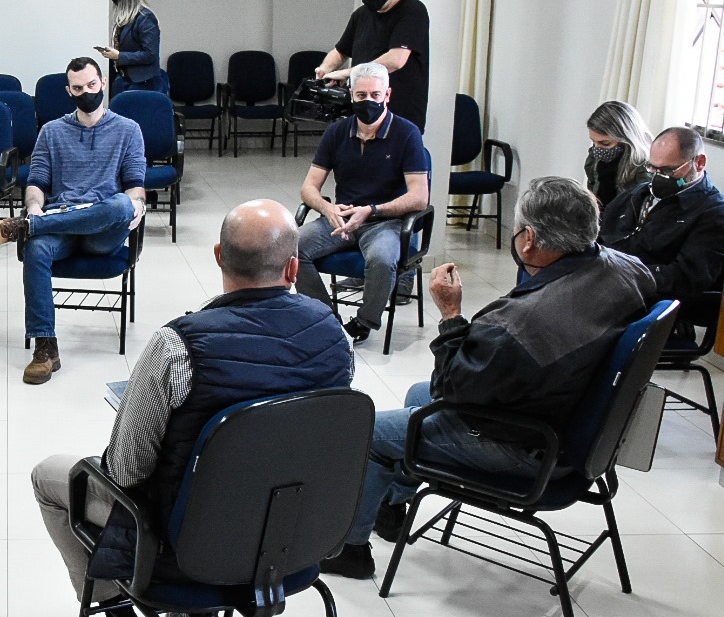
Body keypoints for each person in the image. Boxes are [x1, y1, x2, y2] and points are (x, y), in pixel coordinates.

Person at [33, 200, 353, 617]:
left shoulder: (179, 345)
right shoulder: (335, 338)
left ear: (219, 255)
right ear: (293, 267)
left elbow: (125, 471)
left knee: (51, 476)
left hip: (184, 550)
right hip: (296, 540)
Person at [325, 177, 657, 579]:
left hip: (533, 449)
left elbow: (451, 387)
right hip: (578, 426)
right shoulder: (631, 270)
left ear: (528, 239)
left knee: (373, 430)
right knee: (415, 397)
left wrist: (450, 315)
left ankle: (351, 550)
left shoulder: (521, 327)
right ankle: (391, 507)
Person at [0, 57, 147, 384]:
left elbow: (135, 186)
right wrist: (33, 207)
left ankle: (24, 228)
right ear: (68, 91)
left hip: (103, 231)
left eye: (92, 86)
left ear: (103, 84)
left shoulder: (128, 130)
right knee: (37, 250)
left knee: (120, 205)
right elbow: (37, 184)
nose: (86, 92)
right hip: (61, 225)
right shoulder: (52, 131)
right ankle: (46, 347)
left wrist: (137, 204)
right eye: (78, 88)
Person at [295, 62, 430, 345]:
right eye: (361, 96)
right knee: (291, 247)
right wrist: (327, 208)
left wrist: (373, 210)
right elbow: (309, 187)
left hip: (385, 221)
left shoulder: (407, 134)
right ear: (351, 95)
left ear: (387, 95)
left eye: (375, 95)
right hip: (341, 218)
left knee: (381, 259)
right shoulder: (337, 132)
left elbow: (419, 197)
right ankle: (325, 317)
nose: (368, 102)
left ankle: (364, 322)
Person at [600, 126, 724, 343]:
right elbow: (601, 233)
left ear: (699, 162)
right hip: (610, 284)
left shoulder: (713, 213)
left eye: (667, 171)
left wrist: (624, 275)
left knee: (566, 320)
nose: (657, 177)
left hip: (648, 299)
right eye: (652, 168)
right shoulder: (638, 195)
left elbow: (686, 278)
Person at [315, 0, 431, 130]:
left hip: (400, 114)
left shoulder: (413, 11)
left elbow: (396, 60)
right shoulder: (361, 15)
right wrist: (326, 69)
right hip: (362, 113)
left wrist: (348, 73)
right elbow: (340, 51)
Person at [96, 0, 164, 97]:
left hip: (145, 84)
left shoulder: (145, 18)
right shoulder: (126, 19)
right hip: (127, 80)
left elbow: (150, 55)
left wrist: (119, 56)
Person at [584, 100, 653, 209]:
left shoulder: (646, 167)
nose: (597, 149)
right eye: (593, 142)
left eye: (605, 143)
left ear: (626, 139)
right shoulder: (594, 157)